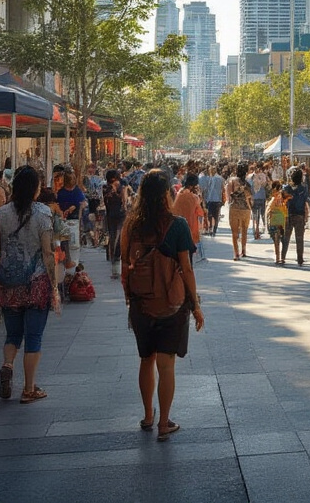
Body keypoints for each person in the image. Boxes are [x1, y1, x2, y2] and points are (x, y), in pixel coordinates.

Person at [121, 169, 204, 441]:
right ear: (167, 193)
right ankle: (164, 423)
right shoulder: (177, 225)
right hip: (172, 303)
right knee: (166, 365)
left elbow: (125, 264)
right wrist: (195, 305)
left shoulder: (131, 225)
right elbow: (187, 269)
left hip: (141, 303)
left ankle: (148, 415)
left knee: (146, 360)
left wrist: (129, 297)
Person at [0, 166, 58, 405]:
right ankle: (29, 389)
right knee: (34, 336)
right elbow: (48, 252)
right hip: (36, 282)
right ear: (36, 188)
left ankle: (7, 365)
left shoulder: (1, 214)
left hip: (9, 282)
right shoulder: (43, 213)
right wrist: (55, 286)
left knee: (13, 333)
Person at [171, 174, 205, 262]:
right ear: (191, 186)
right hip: (189, 231)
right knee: (188, 261)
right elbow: (200, 212)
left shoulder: (178, 195)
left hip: (176, 231)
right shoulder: (194, 198)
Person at [102, 170, 127, 279]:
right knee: (113, 237)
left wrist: (120, 190)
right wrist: (114, 188)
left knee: (120, 236)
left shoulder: (122, 186)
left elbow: (124, 200)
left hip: (121, 215)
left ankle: (117, 260)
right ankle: (114, 262)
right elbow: (106, 199)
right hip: (111, 215)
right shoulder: (106, 188)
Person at [226, 163, 252, 261]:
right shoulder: (247, 183)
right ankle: (243, 250)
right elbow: (250, 196)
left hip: (234, 208)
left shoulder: (231, 181)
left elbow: (228, 196)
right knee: (244, 230)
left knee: (234, 232)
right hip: (245, 209)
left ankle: (236, 253)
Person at [266, 182, 289, 265]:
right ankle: (280, 257)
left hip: (274, 220)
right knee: (281, 239)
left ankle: (277, 257)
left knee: (276, 240)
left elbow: (269, 210)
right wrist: (286, 219)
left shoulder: (273, 199)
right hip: (281, 219)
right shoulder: (283, 197)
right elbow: (285, 209)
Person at [202, 165, 225, 234]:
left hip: (212, 199)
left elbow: (211, 189)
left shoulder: (212, 179)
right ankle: (214, 229)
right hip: (218, 199)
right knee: (216, 215)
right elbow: (222, 188)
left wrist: (207, 199)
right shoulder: (221, 178)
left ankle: (211, 228)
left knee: (210, 215)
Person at [249, 163, 268, 240]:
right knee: (256, 215)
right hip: (256, 197)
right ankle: (256, 231)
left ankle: (258, 230)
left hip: (260, 197)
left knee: (260, 215)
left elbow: (264, 184)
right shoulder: (251, 177)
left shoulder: (252, 176)